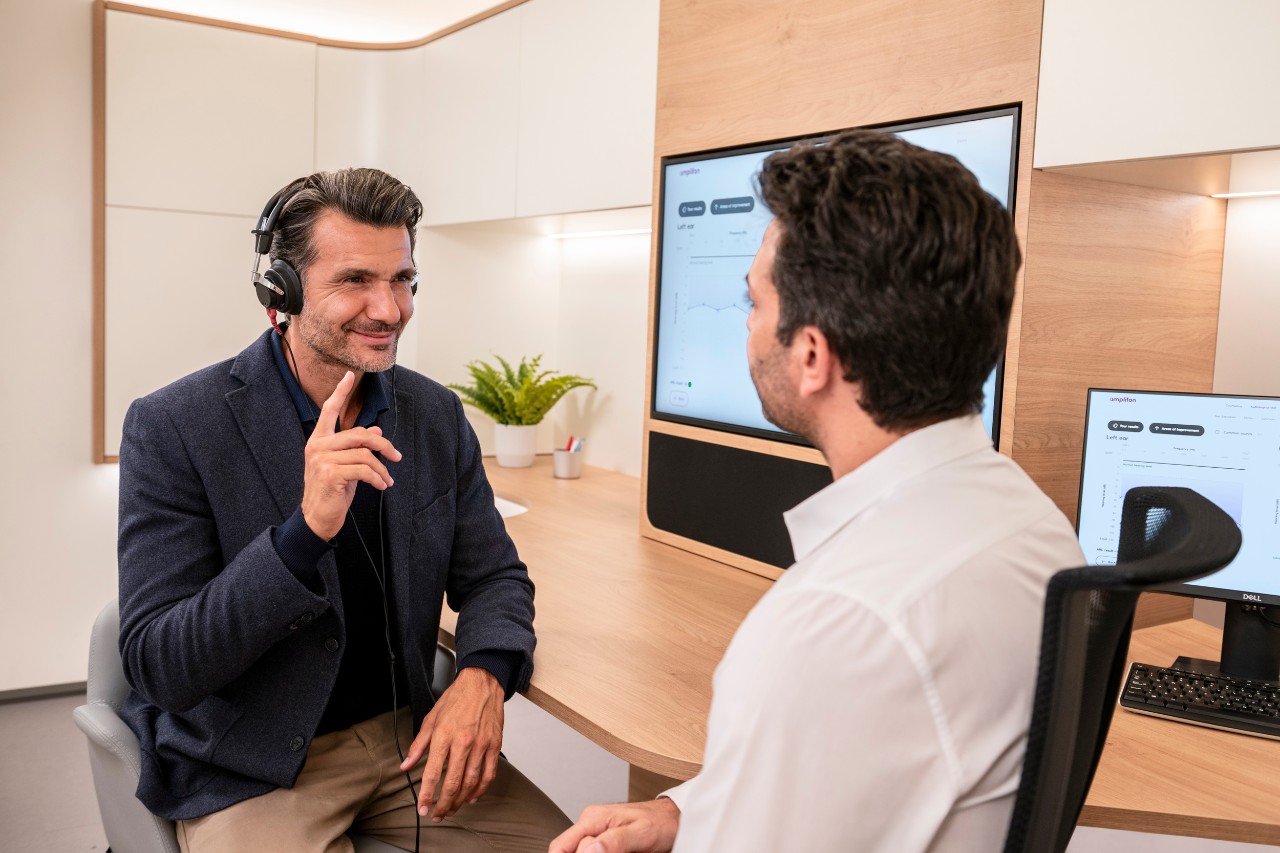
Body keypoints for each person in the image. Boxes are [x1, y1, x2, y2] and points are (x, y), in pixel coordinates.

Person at [549, 131, 1085, 852]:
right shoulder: (1032, 523)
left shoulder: (829, 627)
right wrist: (688, 812)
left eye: (756, 301)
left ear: (810, 356)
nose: (747, 323)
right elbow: (873, 771)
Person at [117, 167, 571, 852]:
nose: (389, 309)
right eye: (356, 280)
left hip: (408, 744)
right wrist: (302, 536)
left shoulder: (435, 415)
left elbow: (494, 577)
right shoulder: (175, 426)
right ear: (284, 291)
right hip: (253, 763)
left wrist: (483, 675)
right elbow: (162, 665)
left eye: (402, 280)